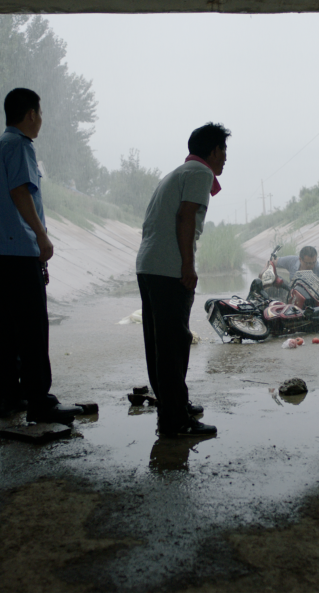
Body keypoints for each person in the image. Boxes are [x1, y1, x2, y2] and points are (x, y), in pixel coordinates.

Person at [0, 88, 81, 425]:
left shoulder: (1, 146)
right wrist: (41, 236)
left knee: (8, 325)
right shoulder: (21, 146)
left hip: (0, 247)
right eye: (41, 113)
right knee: (33, 325)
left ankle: (8, 395)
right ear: (32, 114)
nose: (42, 121)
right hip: (18, 247)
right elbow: (20, 192)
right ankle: (39, 400)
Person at [136, 122, 229, 437]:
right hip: (168, 268)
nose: (225, 158)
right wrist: (187, 266)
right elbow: (185, 216)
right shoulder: (201, 173)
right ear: (213, 151)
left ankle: (172, 404)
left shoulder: (177, 173)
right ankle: (175, 419)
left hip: (149, 265)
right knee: (174, 344)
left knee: (160, 343)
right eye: (223, 150)